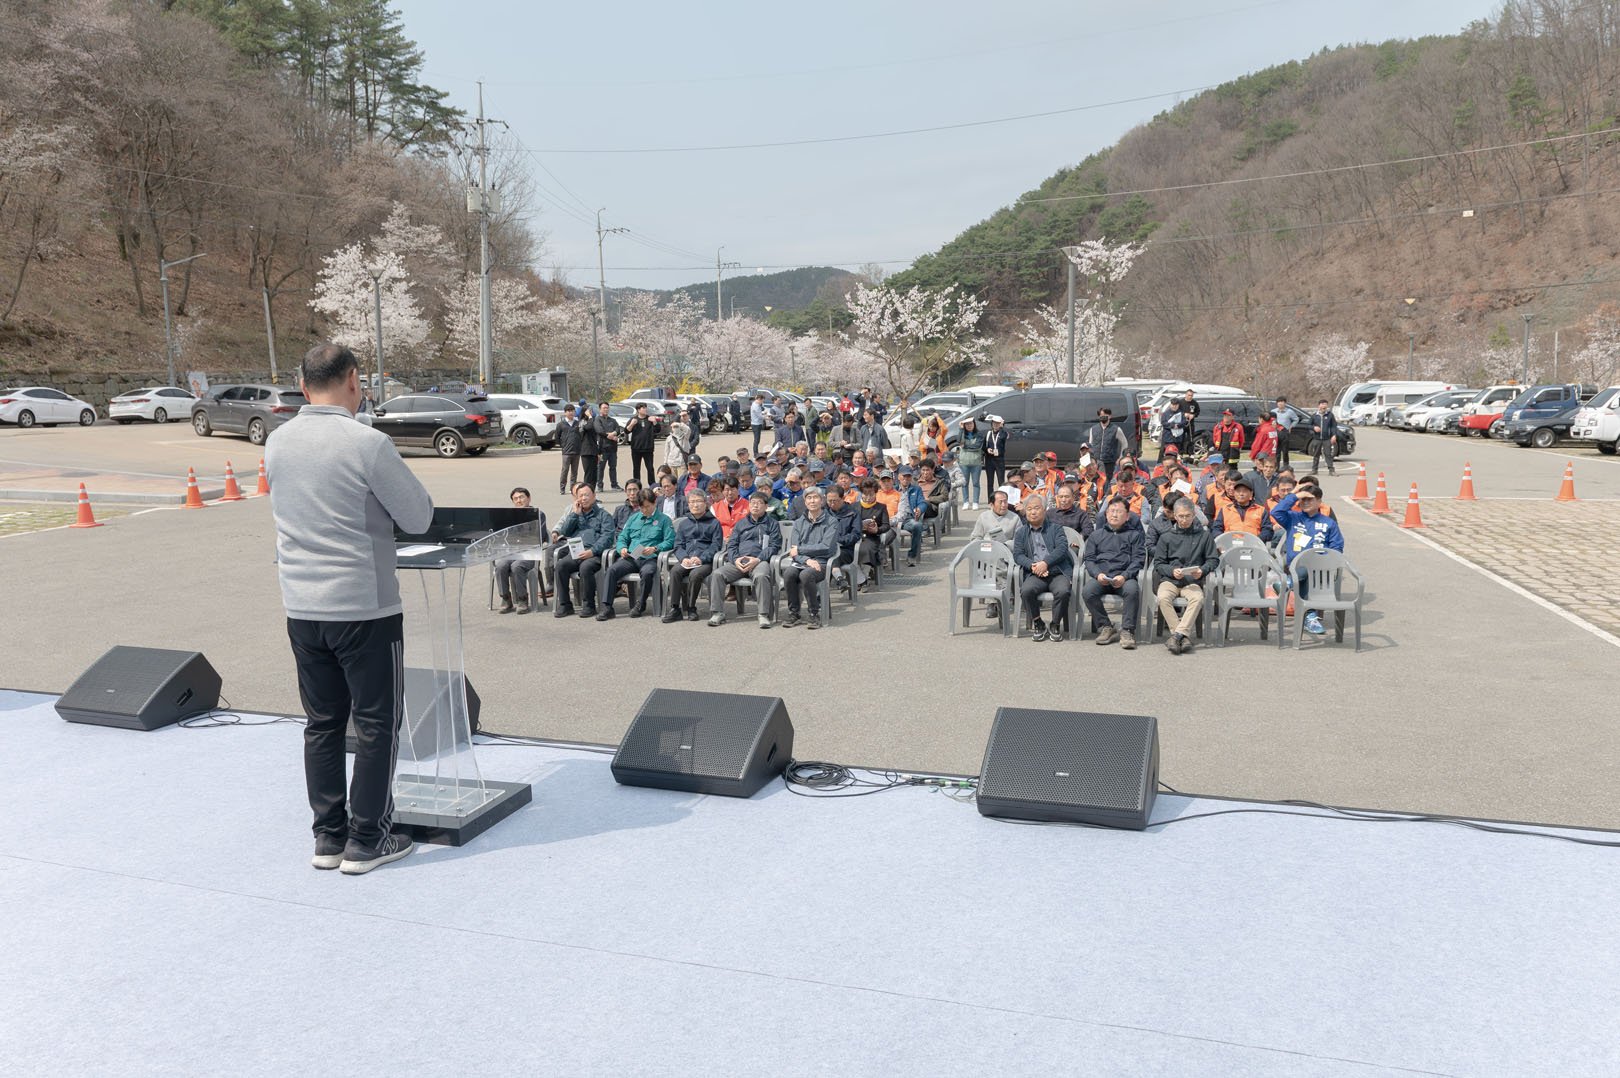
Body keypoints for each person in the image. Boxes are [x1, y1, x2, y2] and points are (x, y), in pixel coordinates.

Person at [266, 343, 432, 875]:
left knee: (322, 723)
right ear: (355, 380)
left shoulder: (276, 440)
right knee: (377, 724)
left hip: (301, 604)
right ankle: (368, 839)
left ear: (303, 384)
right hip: (364, 606)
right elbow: (419, 516)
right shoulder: (367, 442)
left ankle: (328, 837)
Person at [1268, 484, 1344, 635]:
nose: (1305, 502)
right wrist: (1294, 495)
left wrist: (1325, 561)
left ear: (1319, 501)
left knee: (1310, 569)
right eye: (1303, 499)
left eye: (1310, 499)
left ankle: (1287, 584)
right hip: (1297, 566)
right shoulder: (1293, 518)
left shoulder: (1328, 523)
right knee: (1305, 570)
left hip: (1322, 568)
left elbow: (1337, 547)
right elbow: (1276, 512)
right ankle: (1310, 616)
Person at [1152, 498, 1218, 655]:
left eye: (1188, 516)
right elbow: (1158, 563)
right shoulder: (1166, 537)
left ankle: (1176, 636)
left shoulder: (1204, 536)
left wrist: (1202, 570)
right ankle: (1182, 636)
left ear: (1194, 515)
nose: (1184, 519)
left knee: (1198, 598)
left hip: (1192, 581)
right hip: (1170, 580)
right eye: (1181, 516)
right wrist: (1171, 571)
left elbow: (1213, 560)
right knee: (1163, 598)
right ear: (1174, 516)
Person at [709, 490, 782, 628]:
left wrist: (758, 559)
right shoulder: (740, 524)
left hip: (759, 561)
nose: (755, 506)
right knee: (717, 574)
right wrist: (735, 559)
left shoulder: (772, 524)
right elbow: (731, 545)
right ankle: (717, 612)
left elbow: (774, 546)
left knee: (761, 576)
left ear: (766, 506)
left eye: (759, 503)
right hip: (739, 562)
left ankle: (763, 614)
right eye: (753, 503)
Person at [1082, 498, 1146, 649]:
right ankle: (1106, 626)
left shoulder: (1134, 535)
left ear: (1127, 516)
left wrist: (1125, 575)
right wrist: (1097, 574)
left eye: (1119, 512)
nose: (1114, 515)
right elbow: (1089, 559)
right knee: (1088, 592)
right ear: (1106, 514)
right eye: (1111, 511)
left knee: (1132, 590)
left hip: (1124, 577)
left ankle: (1127, 630)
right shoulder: (1096, 535)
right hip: (1102, 576)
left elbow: (1138, 560)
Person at [601, 488, 675, 620]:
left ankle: (641, 603)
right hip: (632, 557)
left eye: (647, 506)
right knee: (612, 570)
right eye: (642, 507)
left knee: (647, 573)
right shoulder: (633, 518)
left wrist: (655, 548)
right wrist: (622, 548)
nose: (644, 510)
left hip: (650, 558)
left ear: (654, 503)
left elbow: (670, 541)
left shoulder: (664, 520)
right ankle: (607, 607)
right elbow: (622, 537)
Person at [1013, 496, 1074, 643]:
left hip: (1057, 572)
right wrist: (1032, 566)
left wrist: (1045, 563)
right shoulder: (1021, 532)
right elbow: (1018, 555)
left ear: (1045, 510)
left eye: (1036, 508)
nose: (1033, 512)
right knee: (1026, 591)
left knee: (1063, 591)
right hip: (1035, 573)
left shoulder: (1056, 528)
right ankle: (1038, 622)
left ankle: (1055, 624)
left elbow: (1062, 549)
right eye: (1029, 509)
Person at [552, 482, 616, 618]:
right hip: (576, 552)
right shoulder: (576, 514)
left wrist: (592, 551)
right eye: (580, 496)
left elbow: (607, 538)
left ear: (594, 496)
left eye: (587, 495)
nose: (584, 498)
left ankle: (589, 605)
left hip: (594, 554)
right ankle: (565, 605)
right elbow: (565, 532)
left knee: (585, 567)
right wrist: (574, 515)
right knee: (561, 566)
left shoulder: (604, 515)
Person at [782, 486, 836, 629]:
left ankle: (814, 613)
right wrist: (806, 560)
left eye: (815, 497)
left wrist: (802, 551)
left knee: (806, 575)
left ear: (822, 501)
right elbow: (794, 550)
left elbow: (826, 547)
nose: (812, 501)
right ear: (805, 502)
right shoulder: (799, 522)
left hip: (822, 563)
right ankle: (794, 613)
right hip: (802, 562)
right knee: (788, 574)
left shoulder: (831, 521)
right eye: (809, 498)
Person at [664, 490, 722, 622]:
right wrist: (684, 558)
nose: (695, 505)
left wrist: (702, 558)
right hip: (687, 559)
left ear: (705, 503)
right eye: (692, 502)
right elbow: (678, 545)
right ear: (688, 504)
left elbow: (716, 546)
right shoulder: (684, 524)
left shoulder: (714, 523)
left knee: (695, 574)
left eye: (698, 501)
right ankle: (675, 608)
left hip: (705, 562)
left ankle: (691, 607)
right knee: (675, 571)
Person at [494, 487, 546, 614]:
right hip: (512, 552)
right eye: (515, 499)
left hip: (530, 553)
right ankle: (506, 598)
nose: (519, 500)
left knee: (517, 566)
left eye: (522, 497)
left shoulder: (538, 514)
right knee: (500, 566)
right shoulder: (510, 516)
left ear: (529, 498)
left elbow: (541, 536)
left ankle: (523, 599)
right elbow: (505, 536)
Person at [855, 477, 893, 588]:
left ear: (876, 493)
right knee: (849, 552)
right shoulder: (854, 507)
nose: (868, 498)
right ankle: (862, 579)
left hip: (871, 537)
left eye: (871, 495)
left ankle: (863, 577)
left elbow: (886, 525)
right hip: (856, 537)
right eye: (865, 495)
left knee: (866, 549)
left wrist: (877, 530)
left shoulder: (881, 507)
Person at [1211, 477, 1273, 543]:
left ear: (1251, 493)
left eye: (1244, 491)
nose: (1241, 494)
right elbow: (1216, 528)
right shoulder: (1225, 509)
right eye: (1238, 491)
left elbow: (1267, 530)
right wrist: (1224, 540)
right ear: (1234, 493)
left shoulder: (1261, 510)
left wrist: (1258, 540)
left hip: (1253, 545)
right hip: (1230, 545)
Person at [1086, 408, 1132, 484]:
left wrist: (1120, 458)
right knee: (1097, 481)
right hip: (1097, 461)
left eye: (1105, 415)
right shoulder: (1093, 429)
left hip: (1110, 462)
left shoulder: (1116, 429)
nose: (1103, 417)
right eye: (1101, 415)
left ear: (1110, 416)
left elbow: (1124, 443)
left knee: (1109, 481)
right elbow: (1090, 445)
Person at [894, 465, 928, 566]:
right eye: (903, 476)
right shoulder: (893, 489)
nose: (906, 478)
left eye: (908, 476)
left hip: (908, 518)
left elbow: (922, 503)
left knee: (917, 525)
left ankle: (912, 555)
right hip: (894, 517)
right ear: (898, 476)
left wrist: (919, 509)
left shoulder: (916, 489)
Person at [625, 402, 657, 487]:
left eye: (646, 408)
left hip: (648, 448)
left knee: (650, 468)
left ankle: (652, 485)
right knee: (636, 468)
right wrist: (632, 424)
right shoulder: (634, 419)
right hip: (636, 448)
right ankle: (637, 485)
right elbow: (626, 431)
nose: (645, 409)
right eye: (643, 408)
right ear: (638, 410)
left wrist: (654, 421)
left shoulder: (650, 419)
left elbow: (658, 430)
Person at [956, 416, 986, 508]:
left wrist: (965, 447)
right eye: (967, 424)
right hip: (964, 462)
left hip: (976, 463)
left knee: (976, 483)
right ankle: (966, 501)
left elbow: (977, 446)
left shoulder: (979, 434)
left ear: (974, 424)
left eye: (971, 423)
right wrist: (961, 429)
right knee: (964, 483)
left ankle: (975, 502)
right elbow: (959, 441)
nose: (969, 425)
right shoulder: (963, 433)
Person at [593, 400, 622, 489]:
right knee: (600, 467)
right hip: (602, 449)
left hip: (613, 448)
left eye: (607, 408)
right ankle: (600, 485)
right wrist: (611, 436)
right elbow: (599, 431)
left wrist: (614, 433)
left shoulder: (612, 420)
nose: (606, 410)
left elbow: (618, 429)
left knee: (613, 467)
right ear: (600, 409)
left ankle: (614, 484)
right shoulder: (597, 419)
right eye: (604, 408)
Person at [557, 405, 584, 495]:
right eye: (569, 411)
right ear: (565, 412)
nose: (571, 412)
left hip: (576, 451)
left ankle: (572, 488)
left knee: (574, 471)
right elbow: (557, 437)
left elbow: (581, 435)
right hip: (566, 452)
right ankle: (562, 488)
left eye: (572, 411)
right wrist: (563, 446)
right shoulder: (561, 424)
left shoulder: (577, 423)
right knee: (565, 470)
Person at [1309, 399, 1340, 476]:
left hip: (1327, 438)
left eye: (1325, 404)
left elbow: (1334, 426)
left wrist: (1334, 435)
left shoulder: (1330, 415)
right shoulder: (1314, 415)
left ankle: (1331, 470)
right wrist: (1314, 428)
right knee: (1316, 454)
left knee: (1328, 454)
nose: (1324, 406)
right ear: (1319, 405)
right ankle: (1314, 470)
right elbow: (1308, 425)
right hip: (1317, 438)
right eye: (1322, 404)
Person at [578, 404, 601, 490]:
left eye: (591, 411)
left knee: (594, 474)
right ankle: (586, 492)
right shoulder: (582, 422)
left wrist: (598, 453)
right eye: (589, 411)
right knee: (588, 474)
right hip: (586, 451)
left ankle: (592, 493)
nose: (591, 412)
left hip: (594, 451)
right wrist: (590, 417)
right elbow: (589, 427)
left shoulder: (592, 421)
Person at [1273, 397, 1295, 468]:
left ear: (1285, 403)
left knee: (1285, 451)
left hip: (1285, 432)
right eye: (1279, 402)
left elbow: (1296, 419)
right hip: (1275, 433)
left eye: (1282, 402)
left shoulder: (1290, 411)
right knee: (1277, 451)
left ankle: (1286, 466)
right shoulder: (1273, 412)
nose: (1280, 403)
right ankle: (1276, 466)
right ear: (1277, 403)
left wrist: (1291, 426)